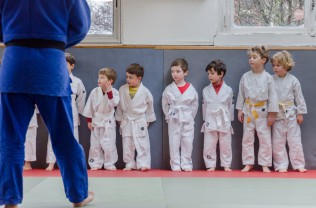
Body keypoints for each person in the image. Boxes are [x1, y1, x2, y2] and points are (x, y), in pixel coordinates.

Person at [0, 1, 94, 207]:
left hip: (15, 63)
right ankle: (78, 196)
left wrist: (12, 36)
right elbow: (80, 26)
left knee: (10, 137)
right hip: (51, 64)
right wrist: (55, 39)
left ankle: (10, 198)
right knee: (64, 137)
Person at [236, 45, 279, 173]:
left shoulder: (268, 78)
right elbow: (241, 94)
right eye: (250, 57)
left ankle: (265, 163)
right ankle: (248, 163)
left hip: (263, 112)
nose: (251, 59)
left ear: (263, 60)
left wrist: (272, 114)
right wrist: (239, 110)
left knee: (264, 138)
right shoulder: (245, 77)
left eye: (254, 57)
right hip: (248, 110)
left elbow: (273, 97)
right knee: (247, 138)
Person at [46, 53, 87, 171]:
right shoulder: (53, 79)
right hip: (56, 110)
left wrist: (79, 113)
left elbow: (81, 99)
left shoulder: (77, 81)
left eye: (66, 64)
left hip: (71, 110)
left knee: (73, 138)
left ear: (72, 66)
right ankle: (51, 162)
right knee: (53, 137)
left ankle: (72, 163)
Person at [270, 50, 307, 173]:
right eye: (273, 65)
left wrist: (300, 113)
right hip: (276, 114)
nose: (275, 68)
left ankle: (299, 164)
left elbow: (299, 98)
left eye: (278, 65)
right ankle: (281, 164)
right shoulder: (270, 80)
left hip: (291, 114)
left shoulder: (293, 80)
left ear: (286, 65)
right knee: (277, 142)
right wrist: (269, 114)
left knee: (294, 140)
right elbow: (267, 98)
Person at [116, 63, 156, 171]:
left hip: (139, 119)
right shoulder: (122, 89)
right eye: (127, 77)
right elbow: (119, 106)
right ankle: (129, 163)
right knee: (127, 143)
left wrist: (147, 120)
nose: (128, 79)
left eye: (131, 77)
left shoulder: (145, 91)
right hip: (127, 119)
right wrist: (119, 119)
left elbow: (150, 105)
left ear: (139, 78)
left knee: (142, 142)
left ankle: (144, 164)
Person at [162, 58, 198, 172]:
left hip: (187, 118)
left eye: (178, 71)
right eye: (172, 71)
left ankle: (187, 163)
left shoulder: (191, 89)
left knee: (187, 141)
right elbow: (165, 104)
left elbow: (194, 106)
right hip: (174, 118)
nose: (174, 74)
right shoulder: (169, 89)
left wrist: (190, 117)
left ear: (185, 72)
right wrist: (168, 116)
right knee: (174, 141)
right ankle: (175, 164)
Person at [83, 68, 119, 171]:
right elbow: (89, 106)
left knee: (109, 144)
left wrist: (109, 92)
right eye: (99, 77)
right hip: (96, 121)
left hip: (108, 121)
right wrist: (89, 121)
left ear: (110, 81)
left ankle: (110, 163)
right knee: (95, 144)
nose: (99, 79)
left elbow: (114, 104)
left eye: (102, 77)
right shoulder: (94, 91)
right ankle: (95, 163)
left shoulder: (114, 92)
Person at [201, 60, 234, 172]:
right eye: (208, 73)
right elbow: (204, 106)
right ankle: (210, 164)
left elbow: (230, 106)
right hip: (210, 118)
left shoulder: (228, 90)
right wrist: (205, 120)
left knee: (225, 143)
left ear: (221, 74)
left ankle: (226, 165)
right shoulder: (206, 90)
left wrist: (230, 120)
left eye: (212, 73)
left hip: (224, 119)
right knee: (209, 143)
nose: (209, 76)